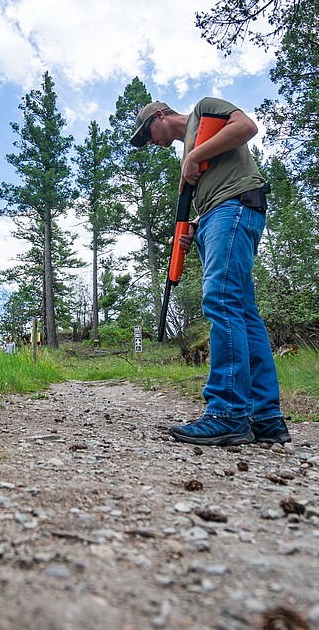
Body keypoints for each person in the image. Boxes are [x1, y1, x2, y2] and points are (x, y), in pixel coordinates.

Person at [129, 98, 290, 445]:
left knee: (220, 300)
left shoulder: (204, 110)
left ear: (161, 115)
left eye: (147, 132)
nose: (150, 141)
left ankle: (227, 412)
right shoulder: (191, 141)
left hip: (233, 208)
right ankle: (265, 419)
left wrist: (193, 156)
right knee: (244, 313)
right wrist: (197, 225)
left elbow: (246, 127)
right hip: (220, 215)